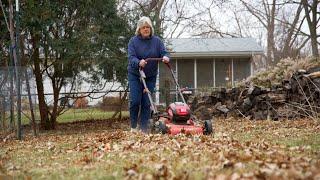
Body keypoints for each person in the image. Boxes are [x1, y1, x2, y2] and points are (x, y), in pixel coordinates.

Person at [127, 16, 170, 133]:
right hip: (135, 74)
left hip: (150, 76)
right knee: (135, 101)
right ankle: (133, 126)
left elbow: (164, 52)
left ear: (151, 29)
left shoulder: (157, 41)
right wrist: (138, 62)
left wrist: (166, 57)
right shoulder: (133, 41)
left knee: (147, 102)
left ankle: (143, 129)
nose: (146, 29)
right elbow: (131, 57)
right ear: (139, 30)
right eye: (143, 27)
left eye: (148, 27)